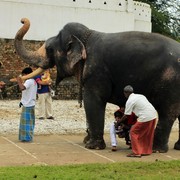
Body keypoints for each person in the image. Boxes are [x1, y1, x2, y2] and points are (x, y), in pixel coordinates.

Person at [119, 85, 157, 158]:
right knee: (147, 133)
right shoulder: (141, 96)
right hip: (153, 115)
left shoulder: (129, 101)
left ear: (125, 93)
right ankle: (146, 151)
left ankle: (136, 152)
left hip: (145, 117)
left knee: (133, 132)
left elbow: (126, 115)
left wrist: (118, 122)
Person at [16, 67, 37, 142]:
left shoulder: (29, 81)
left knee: (26, 122)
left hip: (28, 104)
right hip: (30, 103)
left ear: (27, 74)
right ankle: (27, 137)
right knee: (29, 121)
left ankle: (26, 138)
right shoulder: (33, 81)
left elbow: (22, 88)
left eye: (23, 75)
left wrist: (18, 81)